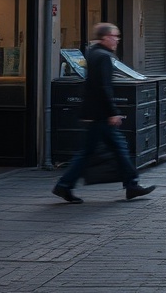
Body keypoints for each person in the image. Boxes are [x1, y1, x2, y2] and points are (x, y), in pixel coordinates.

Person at [52, 23, 155, 203]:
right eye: (115, 36)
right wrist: (112, 112)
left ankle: (64, 185)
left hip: (94, 113)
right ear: (106, 37)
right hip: (101, 114)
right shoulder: (104, 57)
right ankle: (131, 185)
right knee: (118, 148)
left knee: (89, 151)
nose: (117, 40)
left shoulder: (93, 54)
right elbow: (104, 87)